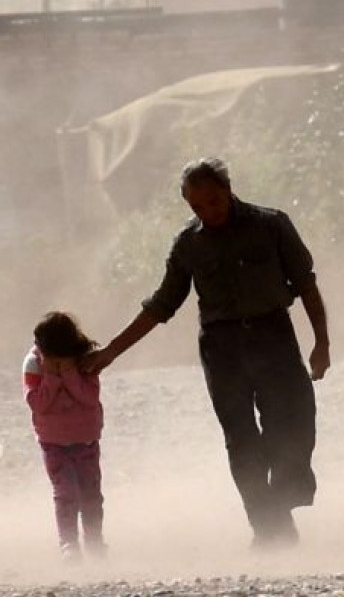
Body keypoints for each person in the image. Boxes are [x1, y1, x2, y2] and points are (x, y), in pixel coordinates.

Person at [84, 157, 331, 549]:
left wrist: (322, 341)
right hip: (223, 348)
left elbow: (305, 284)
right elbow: (163, 304)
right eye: (197, 206)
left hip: (274, 337)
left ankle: (281, 505)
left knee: (295, 425)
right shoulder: (189, 244)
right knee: (241, 440)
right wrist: (113, 350)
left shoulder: (271, 225)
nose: (209, 211)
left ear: (229, 190)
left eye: (214, 200)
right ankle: (267, 530)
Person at [23, 311, 106, 561]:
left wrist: (69, 372)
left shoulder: (84, 360)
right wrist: (50, 376)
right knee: (66, 492)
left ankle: (95, 541)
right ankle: (69, 545)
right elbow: (38, 404)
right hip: (53, 443)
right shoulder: (34, 362)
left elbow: (89, 398)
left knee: (91, 493)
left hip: (86, 439)